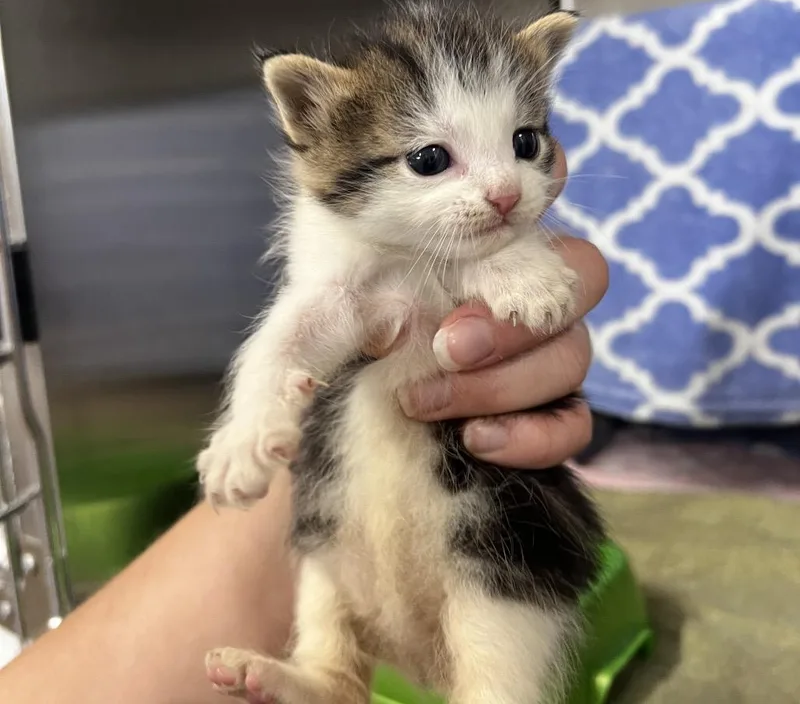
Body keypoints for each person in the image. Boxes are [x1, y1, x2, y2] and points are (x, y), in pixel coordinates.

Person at [0, 145, 608, 704]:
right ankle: (330, 675)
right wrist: (254, 421)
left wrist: (513, 268)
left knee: (495, 616)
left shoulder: (484, 231)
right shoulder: (345, 247)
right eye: (428, 158)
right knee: (320, 551)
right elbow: (305, 326)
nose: (502, 186)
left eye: (523, 144)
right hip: (355, 522)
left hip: (490, 534)